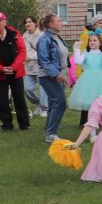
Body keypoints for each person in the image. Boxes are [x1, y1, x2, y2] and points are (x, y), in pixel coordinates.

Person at [0, 13, 30, 131]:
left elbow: (22, 52)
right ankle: (7, 124)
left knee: (19, 98)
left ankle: (24, 124)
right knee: (2, 100)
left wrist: (13, 67)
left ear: (5, 22)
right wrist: (1, 68)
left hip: (16, 72)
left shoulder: (15, 34)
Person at [34, 13, 72, 142]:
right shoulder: (44, 39)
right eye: (59, 21)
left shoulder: (58, 37)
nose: (61, 23)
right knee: (60, 102)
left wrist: (66, 70)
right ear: (51, 24)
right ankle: (51, 133)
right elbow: (44, 61)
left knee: (53, 103)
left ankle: (49, 133)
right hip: (48, 76)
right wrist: (57, 74)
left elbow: (63, 56)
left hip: (58, 74)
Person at [67, 33, 102, 128]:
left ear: (100, 43)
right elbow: (78, 61)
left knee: (100, 101)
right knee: (86, 100)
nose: (92, 42)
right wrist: (77, 49)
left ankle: (100, 122)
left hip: (99, 79)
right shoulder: (86, 53)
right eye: (90, 40)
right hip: (87, 80)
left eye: (95, 40)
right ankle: (84, 122)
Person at [21, 14, 46, 117]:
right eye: (26, 22)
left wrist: (31, 57)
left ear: (35, 23)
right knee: (27, 88)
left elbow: (43, 51)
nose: (28, 24)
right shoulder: (24, 36)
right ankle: (38, 104)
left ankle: (46, 108)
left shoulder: (41, 35)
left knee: (43, 88)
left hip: (40, 66)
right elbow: (23, 50)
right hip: (28, 66)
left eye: (30, 22)